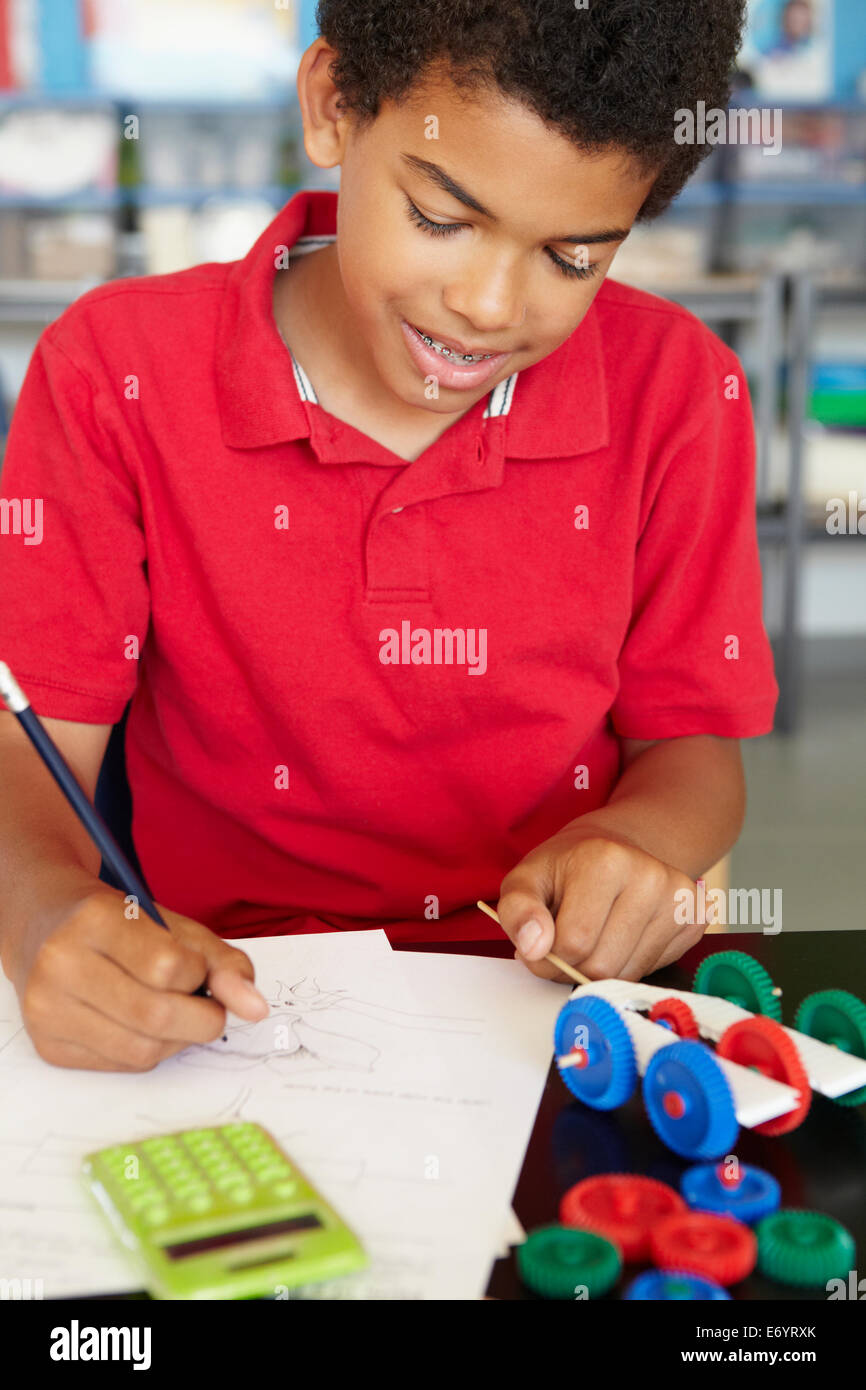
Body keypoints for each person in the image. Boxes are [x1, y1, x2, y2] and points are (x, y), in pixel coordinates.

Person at [0, 0, 777, 1072]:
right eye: (441, 218)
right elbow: (25, 747)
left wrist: (641, 842)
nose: (486, 304)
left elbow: (694, 747)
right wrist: (44, 911)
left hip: (553, 1011)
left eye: (571, 257)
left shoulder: (679, 394)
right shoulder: (115, 373)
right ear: (332, 107)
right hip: (228, 1007)